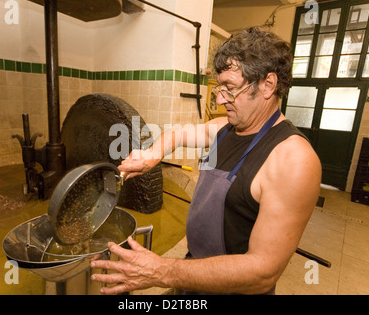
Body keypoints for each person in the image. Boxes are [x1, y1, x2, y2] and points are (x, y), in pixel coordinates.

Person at [90, 27, 322, 295]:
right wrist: (153, 154)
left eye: (230, 89)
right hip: (192, 277)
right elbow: (176, 134)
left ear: (267, 85)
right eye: (220, 88)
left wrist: (161, 271)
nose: (221, 99)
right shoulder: (224, 128)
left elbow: (262, 271)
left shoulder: (293, 159)